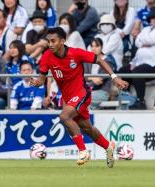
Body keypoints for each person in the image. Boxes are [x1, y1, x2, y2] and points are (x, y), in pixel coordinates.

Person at [29, 27, 128, 167]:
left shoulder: (75, 53)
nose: (50, 44)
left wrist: (115, 78)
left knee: (64, 117)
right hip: (68, 98)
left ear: (62, 41)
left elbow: (99, 60)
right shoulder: (46, 56)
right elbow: (41, 78)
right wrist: (36, 82)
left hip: (81, 93)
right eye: (48, 41)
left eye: (53, 41)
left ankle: (83, 151)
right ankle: (108, 147)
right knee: (87, 128)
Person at [119, 7, 155, 109]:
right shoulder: (146, 29)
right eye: (153, 18)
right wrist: (144, 42)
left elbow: (148, 40)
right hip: (140, 62)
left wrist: (143, 40)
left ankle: (141, 101)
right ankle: (128, 97)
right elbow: (137, 42)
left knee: (137, 72)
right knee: (123, 71)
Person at [87, 38, 116, 109]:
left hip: (102, 91)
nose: (94, 48)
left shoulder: (108, 62)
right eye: (92, 46)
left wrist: (87, 80)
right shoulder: (87, 60)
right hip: (88, 90)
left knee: (83, 100)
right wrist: (92, 78)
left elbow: (99, 81)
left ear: (101, 47)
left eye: (97, 46)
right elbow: (81, 75)